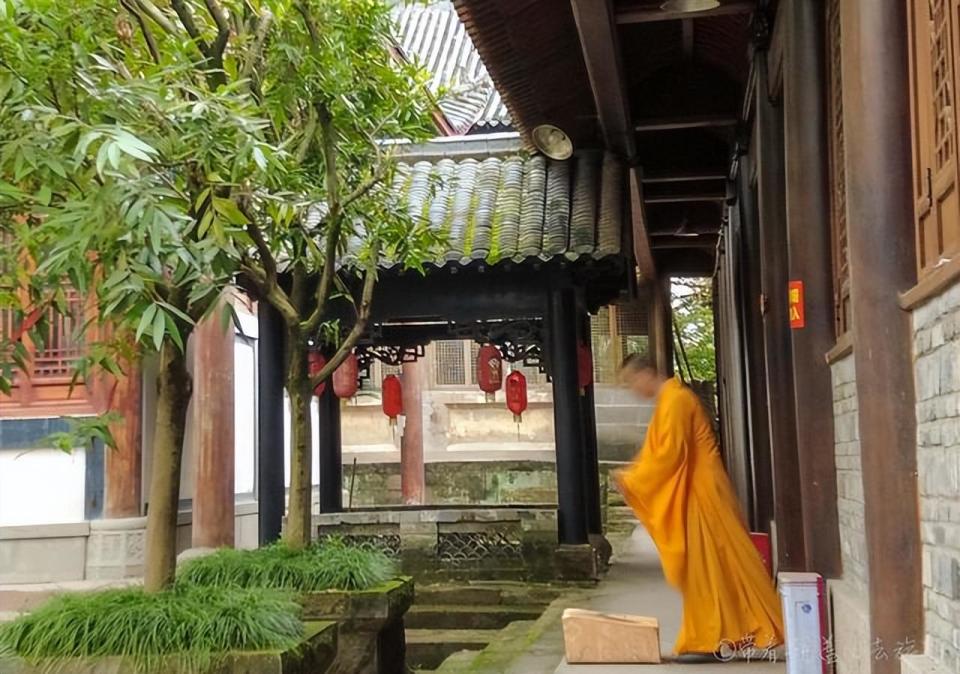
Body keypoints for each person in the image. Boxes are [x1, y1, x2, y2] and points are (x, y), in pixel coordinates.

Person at [614, 354, 784, 662]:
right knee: (716, 568)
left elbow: (670, 454)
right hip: (699, 490)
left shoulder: (676, 400)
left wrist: (632, 478)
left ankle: (710, 638)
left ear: (647, 374)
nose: (632, 389)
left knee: (706, 569)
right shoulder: (670, 399)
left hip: (702, 493)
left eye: (630, 382)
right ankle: (734, 632)